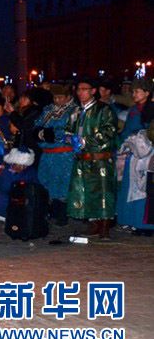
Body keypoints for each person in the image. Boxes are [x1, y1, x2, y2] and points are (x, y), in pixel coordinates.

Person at [66, 78, 118, 239]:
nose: (80, 92)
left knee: (103, 192)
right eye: (78, 89)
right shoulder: (76, 111)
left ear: (93, 91)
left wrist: (85, 141)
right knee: (84, 191)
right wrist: (69, 138)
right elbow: (68, 130)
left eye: (84, 89)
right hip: (82, 158)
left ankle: (104, 226)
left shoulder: (104, 109)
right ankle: (93, 224)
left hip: (99, 158)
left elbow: (109, 131)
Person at [33, 84, 78, 226]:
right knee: (46, 182)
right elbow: (37, 126)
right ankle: (50, 212)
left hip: (64, 155)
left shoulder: (75, 111)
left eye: (60, 97)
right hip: (47, 154)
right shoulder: (48, 110)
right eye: (55, 97)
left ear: (68, 97)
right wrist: (42, 133)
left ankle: (62, 214)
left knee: (62, 184)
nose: (57, 100)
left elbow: (70, 131)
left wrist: (51, 134)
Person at [115, 78, 154, 234]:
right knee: (131, 189)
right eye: (133, 91)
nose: (134, 94)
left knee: (145, 190)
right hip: (133, 154)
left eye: (137, 91)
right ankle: (131, 221)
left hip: (148, 155)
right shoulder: (133, 110)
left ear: (147, 92)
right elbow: (125, 132)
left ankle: (145, 225)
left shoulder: (151, 110)